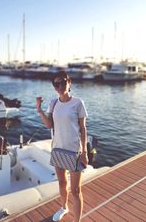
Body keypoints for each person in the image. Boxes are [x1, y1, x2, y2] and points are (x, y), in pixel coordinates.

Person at [36, 71, 88, 222]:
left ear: (69, 82)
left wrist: (84, 152)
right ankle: (64, 207)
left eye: (63, 82)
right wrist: (39, 110)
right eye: (56, 84)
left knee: (76, 191)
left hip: (74, 151)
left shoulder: (78, 103)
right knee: (61, 182)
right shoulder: (54, 103)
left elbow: (83, 129)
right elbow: (49, 125)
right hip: (58, 149)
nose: (60, 86)